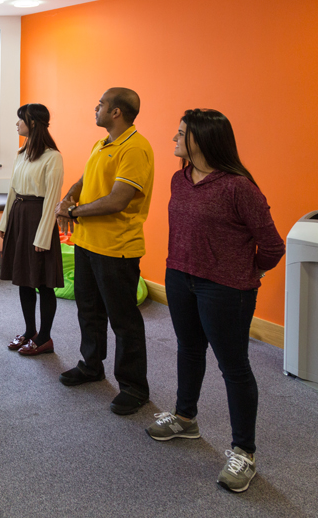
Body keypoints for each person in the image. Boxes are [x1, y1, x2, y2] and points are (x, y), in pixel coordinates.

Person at [144, 109, 284, 493]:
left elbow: (272, 245)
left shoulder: (239, 187)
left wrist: (249, 272)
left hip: (226, 289)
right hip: (180, 277)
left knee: (233, 367)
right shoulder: (180, 178)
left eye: (181, 133)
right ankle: (185, 418)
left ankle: (244, 452)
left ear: (202, 139)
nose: (174, 138)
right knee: (189, 349)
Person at [55, 87, 154, 415]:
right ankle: (91, 365)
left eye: (101, 105)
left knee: (123, 319)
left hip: (117, 249)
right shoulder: (103, 144)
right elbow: (86, 180)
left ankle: (134, 386)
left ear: (116, 112)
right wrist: (70, 196)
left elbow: (117, 200)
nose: (95, 108)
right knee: (89, 310)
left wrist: (72, 213)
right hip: (86, 244)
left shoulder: (136, 148)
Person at [0, 104, 65, 355]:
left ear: (33, 123)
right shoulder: (22, 152)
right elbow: (13, 191)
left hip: (38, 220)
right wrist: (5, 223)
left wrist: (44, 234)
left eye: (20, 120)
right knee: (24, 281)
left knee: (43, 283)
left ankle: (45, 338)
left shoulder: (53, 156)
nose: (17, 124)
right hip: (19, 215)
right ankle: (30, 331)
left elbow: (52, 199)